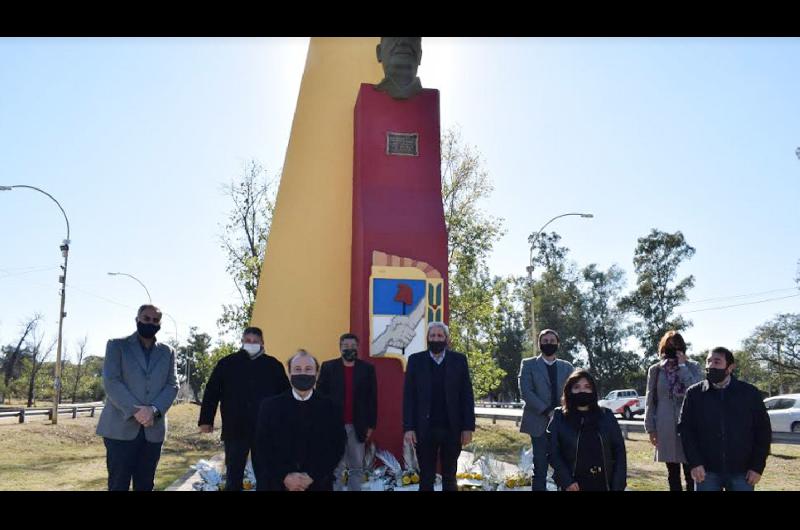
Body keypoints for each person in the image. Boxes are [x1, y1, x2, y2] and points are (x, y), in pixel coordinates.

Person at [96, 304, 179, 491]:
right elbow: (112, 382)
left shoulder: (168, 352)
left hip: (153, 430)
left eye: (155, 320)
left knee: (146, 484)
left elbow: (172, 384)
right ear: (137, 320)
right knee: (118, 484)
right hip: (119, 429)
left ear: (160, 324)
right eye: (146, 318)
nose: (151, 322)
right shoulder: (117, 345)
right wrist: (137, 411)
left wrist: (154, 410)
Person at [198, 326, 290, 491]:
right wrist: (206, 420)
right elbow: (212, 392)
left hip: (265, 430)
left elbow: (285, 397)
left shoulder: (273, 366)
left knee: (266, 476)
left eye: (256, 341)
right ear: (242, 342)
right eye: (248, 341)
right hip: (236, 429)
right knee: (233, 476)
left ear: (263, 343)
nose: (252, 344)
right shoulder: (227, 363)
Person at [678, 347, 771, 491]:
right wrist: (695, 463)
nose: (711, 366)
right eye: (708, 362)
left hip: (743, 472)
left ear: (730, 367)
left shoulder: (749, 393)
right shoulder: (694, 394)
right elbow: (686, 431)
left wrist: (757, 467)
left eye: (717, 362)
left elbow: (763, 432)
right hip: (706, 472)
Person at [254, 349, 345, 491]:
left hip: (317, 484)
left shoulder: (331, 407)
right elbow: (262, 446)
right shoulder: (269, 407)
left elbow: (337, 445)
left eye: (308, 369)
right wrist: (285, 476)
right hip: (276, 484)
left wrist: (313, 476)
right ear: (289, 373)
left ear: (316, 373)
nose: (303, 373)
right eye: (297, 369)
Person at [402, 321, 475, 491]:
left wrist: (467, 427)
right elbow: (409, 397)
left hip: (452, 428)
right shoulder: (415, 361)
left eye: (440, 335)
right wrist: (408, 427)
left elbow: (467, 396)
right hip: (424, 429)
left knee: (449, 476)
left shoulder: (459, 360)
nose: (436, 338)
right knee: (426, 477)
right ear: (427, 338)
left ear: (447, 339)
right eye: (432, 335)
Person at [547, 369, 627, 491]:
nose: (582, 391)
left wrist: (618, 485)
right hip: (573, 485)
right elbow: (553, 452)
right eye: (577, 387)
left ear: (593, 390)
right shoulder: (559, 416)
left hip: (603, 483)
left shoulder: (606, 415)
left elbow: (619, 452)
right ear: (569, 391)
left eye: (587, 387)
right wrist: (566, 481)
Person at [316, 333, 377, 491]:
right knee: (335, 467)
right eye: (346, 346)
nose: (349, 349)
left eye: (352, 346)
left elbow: (372, 399)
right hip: (334, 426)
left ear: (358, 347)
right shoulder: (328, 367)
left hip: (358, 426)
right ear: (340, 348)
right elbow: (319, 398)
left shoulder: (367, 369)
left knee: (356, 467)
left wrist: (371, 425)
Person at [644, 330, 703, 491]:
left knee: (692, 471)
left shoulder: (693, 366)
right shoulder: (656, 370)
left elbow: (697, 391)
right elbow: (650, 400)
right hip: (666, 426)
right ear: (662, 348)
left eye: (676, 346)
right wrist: (650, 428)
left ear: (683, 348)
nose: (673, 349)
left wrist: (683, 366)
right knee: (672, 473)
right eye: (669, 346)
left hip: (690, 425)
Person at [518, 329, 574, 491]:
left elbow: (572, 391)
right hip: (538, 423)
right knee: (540, 466)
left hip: (563, 423)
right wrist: (548, 412)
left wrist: (562, 412)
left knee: (564, 467)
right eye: (545, 341)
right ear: (539, 344)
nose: (548, 343)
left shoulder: (567, 367)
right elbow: (526, 392)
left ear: (558, 343)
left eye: (552, 341)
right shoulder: (528, 364)